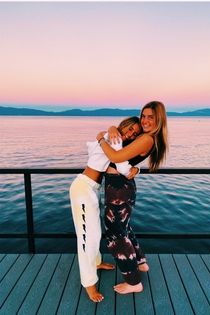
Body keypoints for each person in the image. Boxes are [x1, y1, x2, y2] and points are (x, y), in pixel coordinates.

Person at [96, 101, 168, 294]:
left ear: (159, 119)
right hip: (122, 186)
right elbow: (126, 154)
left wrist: (100, 140)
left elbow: (117, 157)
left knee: (116, 235)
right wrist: (112, 128)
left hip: (118, 188)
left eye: (150, 117)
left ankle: (134, 282)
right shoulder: (148, 138)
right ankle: (140, 262)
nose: (145, 120)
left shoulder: (147, 139)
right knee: (124, 228)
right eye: (143, 116)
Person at [69, 116, 142, 303]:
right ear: (123, 125)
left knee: (94, 234)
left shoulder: (109, 138)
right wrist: (136, 171)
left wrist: (105, 133)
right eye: (130, 129)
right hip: (83, 189)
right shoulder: (114, 141)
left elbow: (92, 145)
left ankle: (97, 263)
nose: (131, 133)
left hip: (91, 189)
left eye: (135, 133)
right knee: (86, 239)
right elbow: (123, 167)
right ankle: (89, 284)